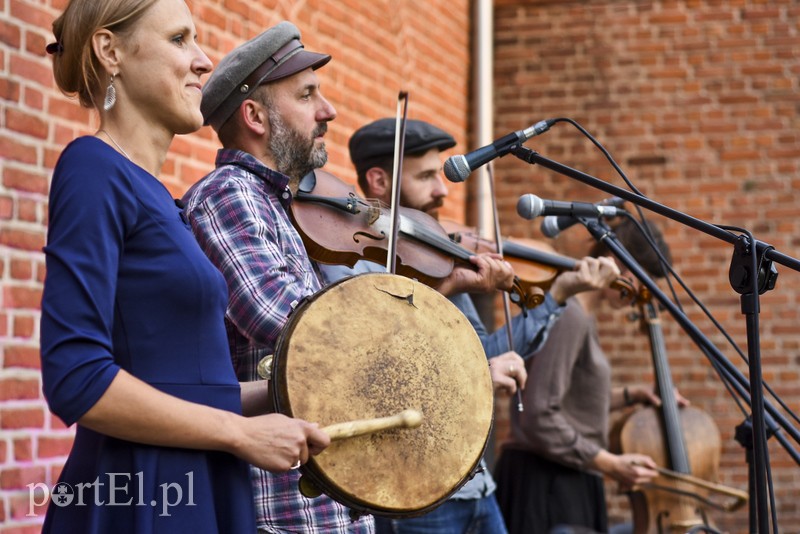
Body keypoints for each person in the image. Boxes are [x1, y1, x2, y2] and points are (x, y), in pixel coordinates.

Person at [40, 2, 330, 533]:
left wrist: (289, 392)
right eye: (179, 40)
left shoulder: (166, 202)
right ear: (111, 52)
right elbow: (76, 378)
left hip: (197, 482)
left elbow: (185, 382)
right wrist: (238, 435)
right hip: (144, 495)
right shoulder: (93, 169)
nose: (204, 61)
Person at [316, 117, 623, 534]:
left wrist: (558, 296)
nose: (443, 189)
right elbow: (375, 367)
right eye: (425, 176)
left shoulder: (434, 256)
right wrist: (446, 286)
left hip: (476, 485)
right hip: (414, 490)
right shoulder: (347, 259)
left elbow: (486, 356)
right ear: (378, 180)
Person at [494, 218, 682, 534]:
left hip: (561, 478)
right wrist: (610, 463)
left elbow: (572, 402)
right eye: (643, 280)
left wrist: (634, 394)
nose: (642, 293)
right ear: (614, 263)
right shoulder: (570, 315)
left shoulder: (582, 316)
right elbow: (539, 413)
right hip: (546, 485)